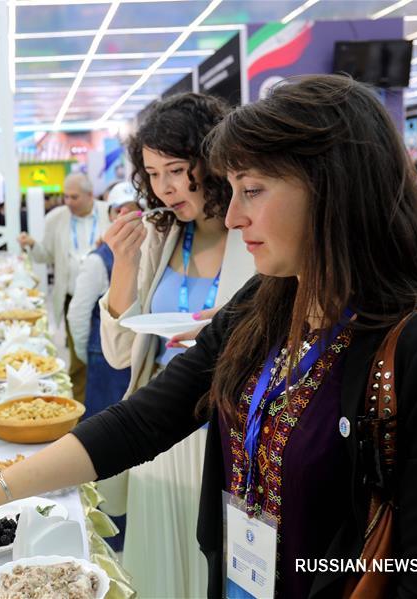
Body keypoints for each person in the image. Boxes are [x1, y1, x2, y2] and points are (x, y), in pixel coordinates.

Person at [0, 75, 417, 598]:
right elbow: (148, 418)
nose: (231, 218)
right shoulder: (269, 303)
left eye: (253, 191)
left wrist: (314, 567)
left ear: (334, 190)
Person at [98, 93, 255, 598]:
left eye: (176, 169)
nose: (164, 188)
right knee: (158, 576)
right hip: (161, 430)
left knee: (222, 572)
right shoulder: (159, 235)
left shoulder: (255, 232)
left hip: (232, 434)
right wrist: (122, 265)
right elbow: (122, 354)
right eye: (152, 173)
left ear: (211, 161)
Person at [18, 173, 110, 401]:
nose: (68, 201)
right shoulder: (56, 218)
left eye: (74, 197)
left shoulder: (109, 212)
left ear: (90, 195)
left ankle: (110, 405)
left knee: (109, 355)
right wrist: (32, 245)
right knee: (80, 359)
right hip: (73, 298)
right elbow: (45, 256)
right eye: (65, 196)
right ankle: (82, 411)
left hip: (108, 299)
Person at [66, 181, 139, 419]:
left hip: (138, 359)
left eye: (133, 208)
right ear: (109, 215)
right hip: (105, 360)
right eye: (118, 210)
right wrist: (88, 353)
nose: (125, 216)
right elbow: (77, 314)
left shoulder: (155, 255)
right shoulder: (98, 260)